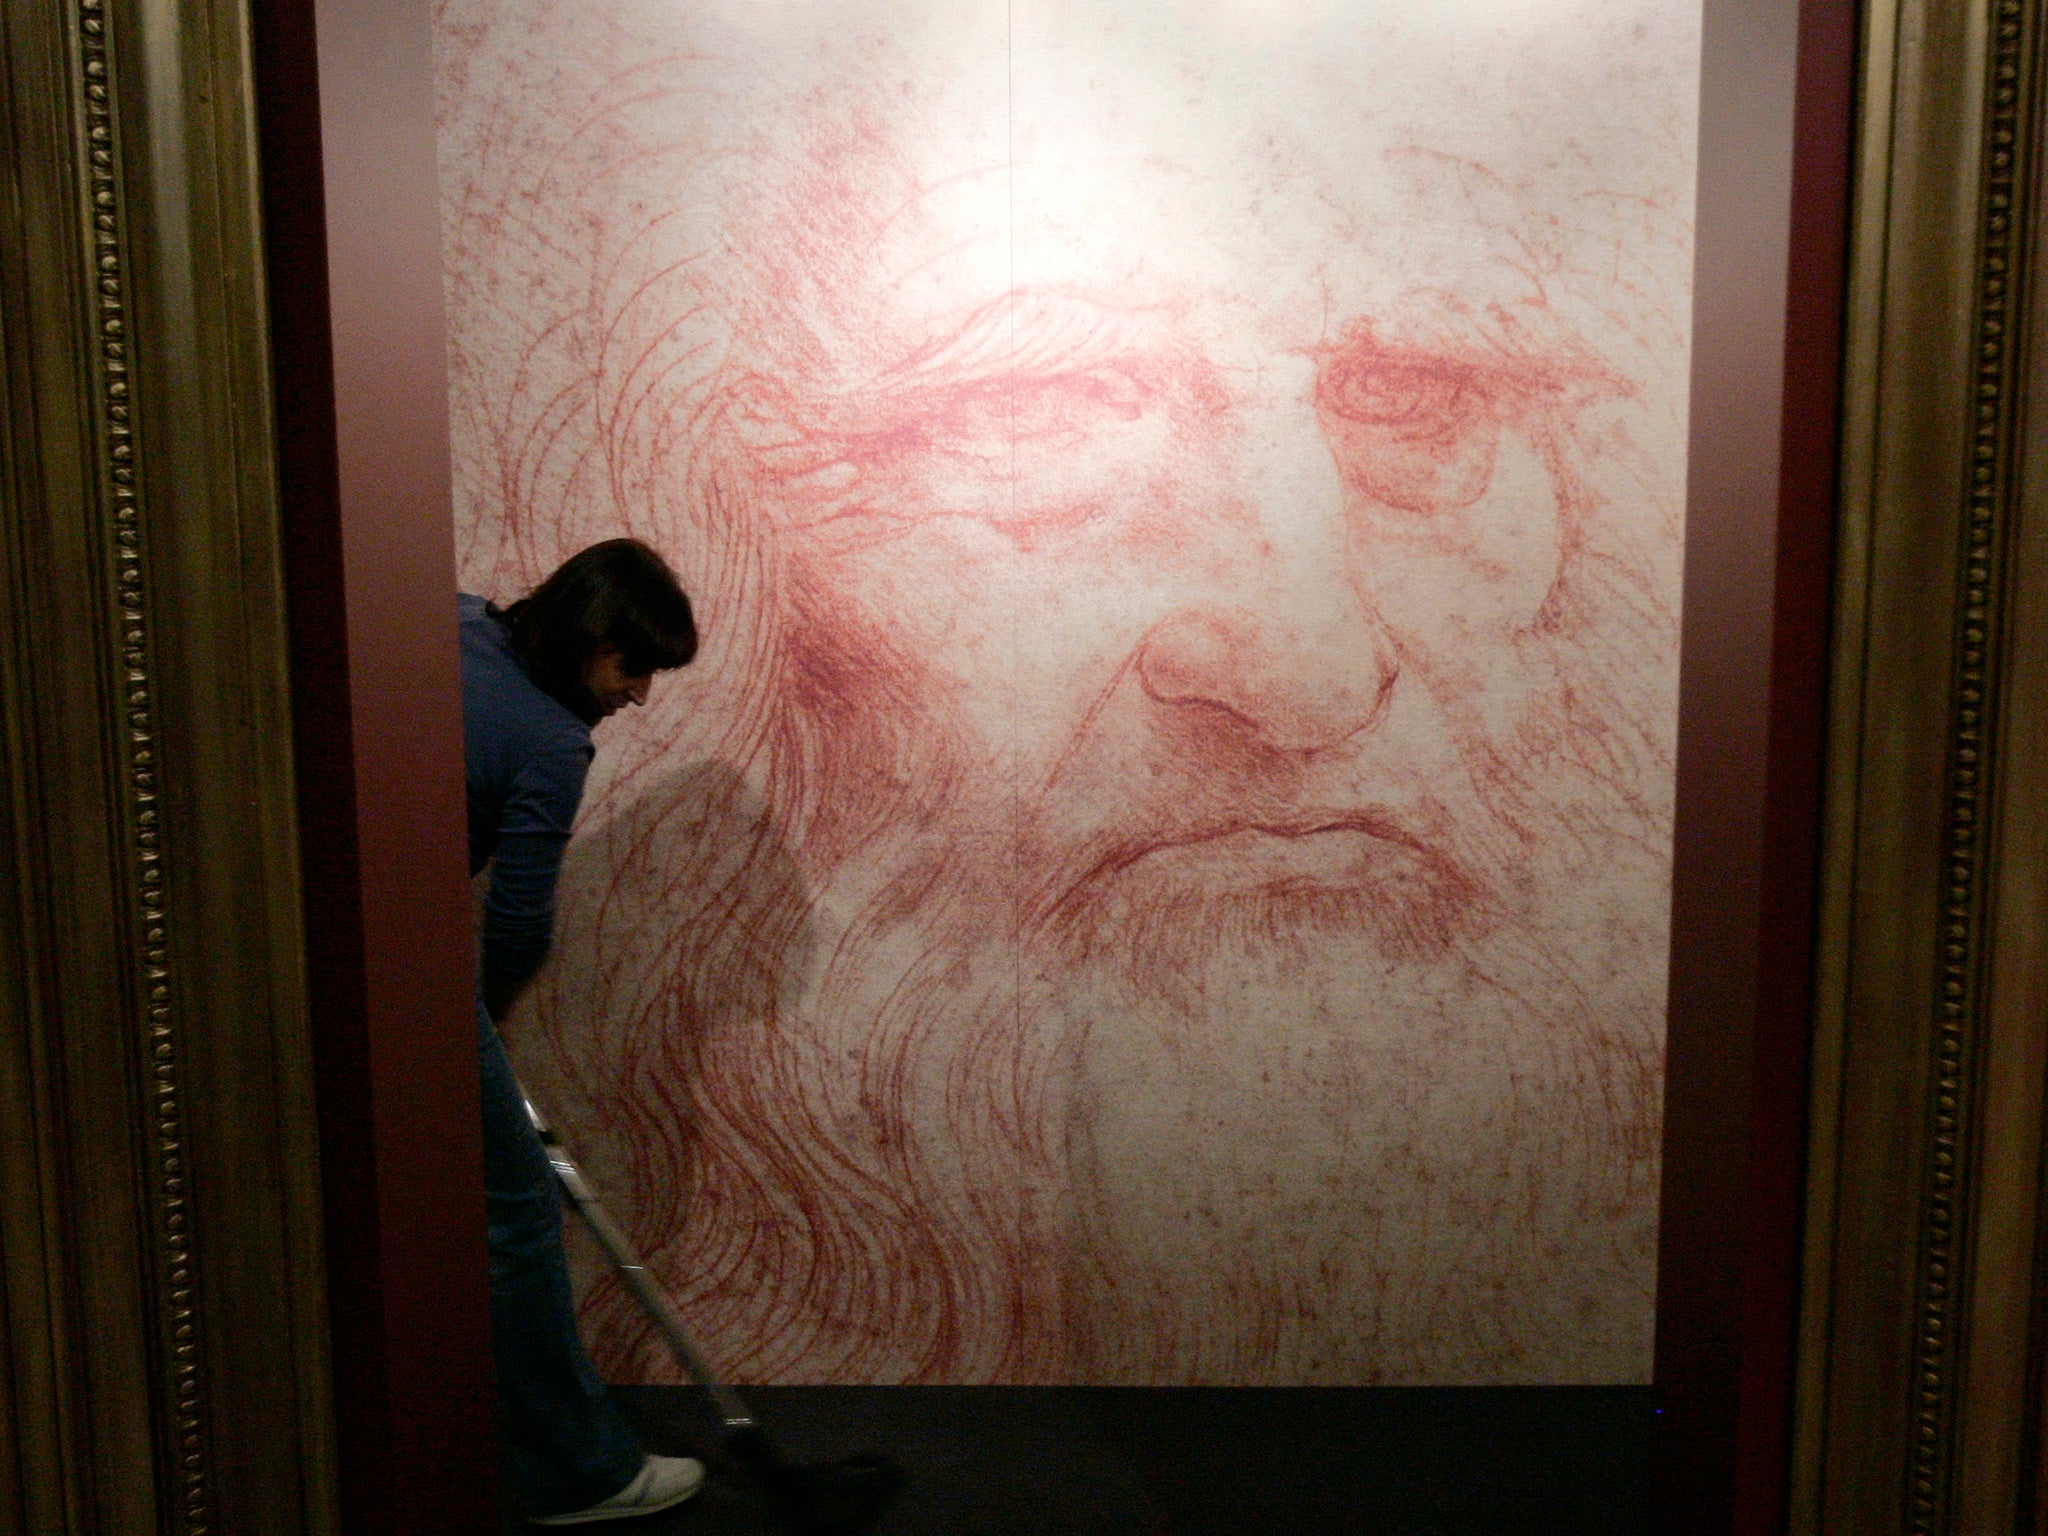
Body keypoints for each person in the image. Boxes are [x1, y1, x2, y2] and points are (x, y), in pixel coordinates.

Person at [438, 0, 1693, 1386]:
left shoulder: (474, 668)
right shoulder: (539, 736)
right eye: (1033, 405)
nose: (1315, 676)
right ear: (730, 518)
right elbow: (519, 917)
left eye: (1414, 398)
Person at [460, 538, 703, 1523]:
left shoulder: (459, 618)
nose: (638, 696)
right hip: (394, 951)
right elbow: (519, 920)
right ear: (593, 639)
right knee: (516, 1210)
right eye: (633, 668)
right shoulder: (553, 739)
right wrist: (490, 1007)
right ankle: (574, 1472)